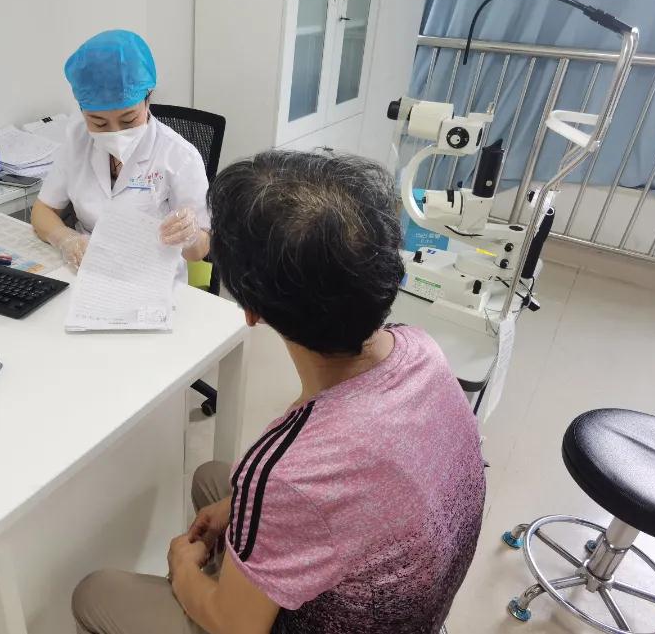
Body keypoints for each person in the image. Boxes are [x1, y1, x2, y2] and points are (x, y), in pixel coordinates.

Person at [72, 151, 486, 634]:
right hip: (414, 602)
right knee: (215, 479)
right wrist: (242, 506)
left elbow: (237, 627)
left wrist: (184, 571)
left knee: (95, 593)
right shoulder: (421, 349)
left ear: (251, 310)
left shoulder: (288, 472)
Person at [31, 30, 211, 277]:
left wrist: (190, 235)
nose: (115, 133)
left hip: (151, 276)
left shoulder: (180, 156)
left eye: (128, 120)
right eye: (99, 123)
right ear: (82, 110)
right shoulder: (77, 138)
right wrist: (66, 239)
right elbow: (42, 211)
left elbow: (199, 250)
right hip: (87, 271)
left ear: (147, 99)